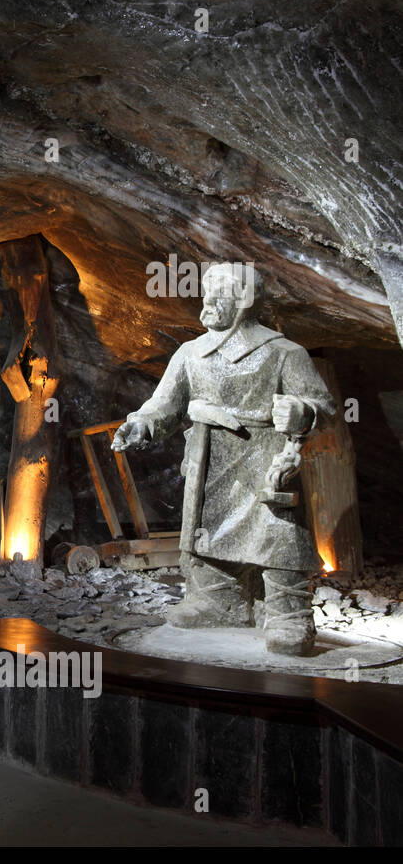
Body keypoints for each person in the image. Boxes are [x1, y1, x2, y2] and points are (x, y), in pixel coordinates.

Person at [112, 262, 335, 656]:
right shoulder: (190, 354)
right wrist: (140, 426)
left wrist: (302, 412)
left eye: (220, 292)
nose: (208, 300)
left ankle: (287, 610)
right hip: (209, 459)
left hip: (267, 459)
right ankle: (220, 600)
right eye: (206, 291)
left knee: (276, 530)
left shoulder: (284, 353)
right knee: (208, 527)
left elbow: (326, 407)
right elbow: (164, 406)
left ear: (246, 299)